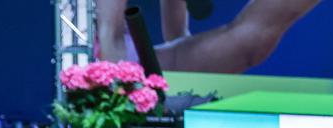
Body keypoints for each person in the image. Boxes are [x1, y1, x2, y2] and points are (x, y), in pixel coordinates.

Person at [96, 0, 321, 73]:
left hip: (157, 68)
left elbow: (176, 33)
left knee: (252, 43)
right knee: (249, 44)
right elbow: (108, 35)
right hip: (124, 65)